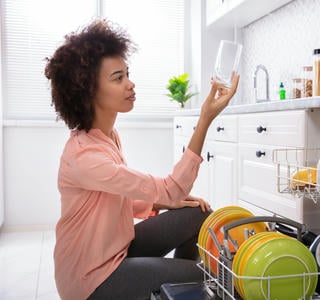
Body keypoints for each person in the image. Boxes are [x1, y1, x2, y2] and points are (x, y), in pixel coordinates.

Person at [44, 19, 239, 300]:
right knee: (208, 277)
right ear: (88, 90)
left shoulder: (107, 136)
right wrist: (205, 118)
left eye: (127, 74)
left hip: (116, 250)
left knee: (198, 214)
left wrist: (167, 201)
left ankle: (175, 288)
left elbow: (116, 199)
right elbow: (172, 188)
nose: (130, 84)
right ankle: (181, 285)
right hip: (91, 278)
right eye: (118, 78)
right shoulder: (84, 155)